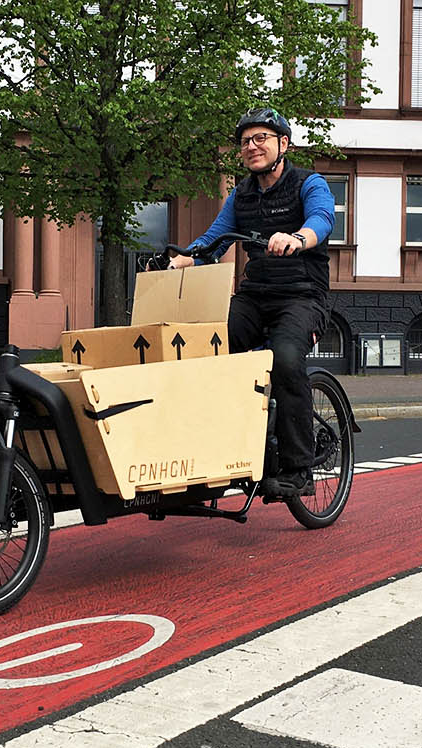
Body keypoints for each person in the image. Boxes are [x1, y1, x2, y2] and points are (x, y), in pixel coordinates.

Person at [169, 107, 334, 499]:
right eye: (245, 141)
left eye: (261, 138)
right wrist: (182, 258)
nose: (252, 146)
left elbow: (323, 219)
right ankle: (225, 454)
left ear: (283, 144)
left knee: (285, 359)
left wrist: (298, 237)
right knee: (208, 347)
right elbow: (214, 240)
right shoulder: (241, 195)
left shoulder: (308, 183)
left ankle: (299, 469)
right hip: (254, 295)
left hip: (302, 296)